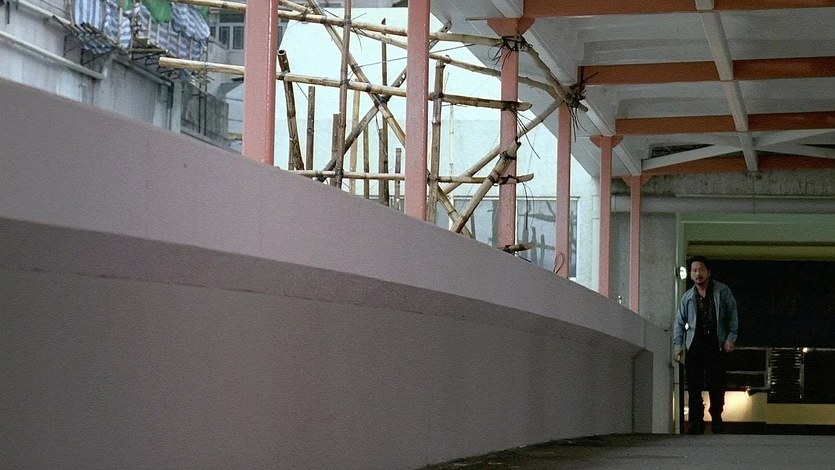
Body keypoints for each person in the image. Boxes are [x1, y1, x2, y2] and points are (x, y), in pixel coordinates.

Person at [673, 256, 738, 434]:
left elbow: (732, 316)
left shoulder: (723, 291)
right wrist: (678, 346)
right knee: (694, 385)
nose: (697, 273)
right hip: (695, 342)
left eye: (701, 269)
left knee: (716, 383)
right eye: (694, 270)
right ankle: (697, 423)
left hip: (716, 342)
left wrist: (731, 338)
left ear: (708, 272)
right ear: (690, 274)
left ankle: (716, 419)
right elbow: (679, 322)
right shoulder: (687, 297)